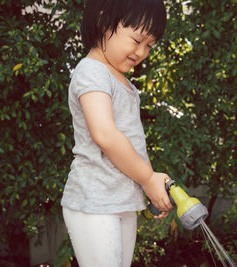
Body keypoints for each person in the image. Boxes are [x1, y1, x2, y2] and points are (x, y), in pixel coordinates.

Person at [60, 0, 173, 266]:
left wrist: (152, 184)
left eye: (150, 45)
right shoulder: (91, 71)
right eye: (136, 40)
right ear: (103, 22)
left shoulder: (125, 84)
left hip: (120, 202)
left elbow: (131, 143)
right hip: (94, 202)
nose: (142, 51)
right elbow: (105, 135)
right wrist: (147, 178)